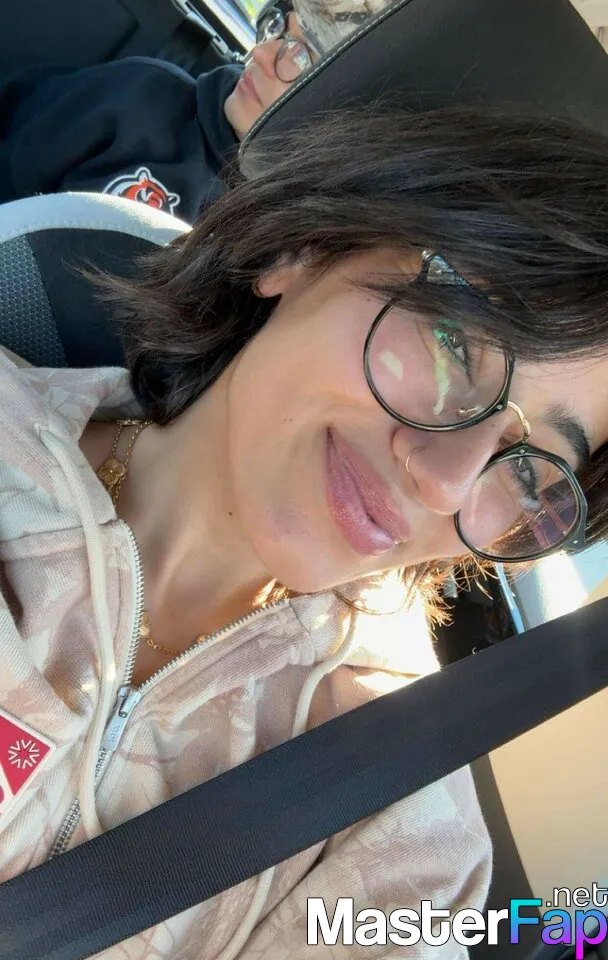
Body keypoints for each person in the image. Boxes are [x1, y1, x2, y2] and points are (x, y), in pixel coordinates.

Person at [2, 103, 608, 959]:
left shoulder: (396, 806)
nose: (445, 480)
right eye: (455, 343)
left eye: (527, 467)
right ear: (302, 247)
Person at [0, 4, 320, 221]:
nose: (261, 53)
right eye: (280, 31)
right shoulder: (143, 95)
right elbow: (13, 169)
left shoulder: (279, 232)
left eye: (301, 59)